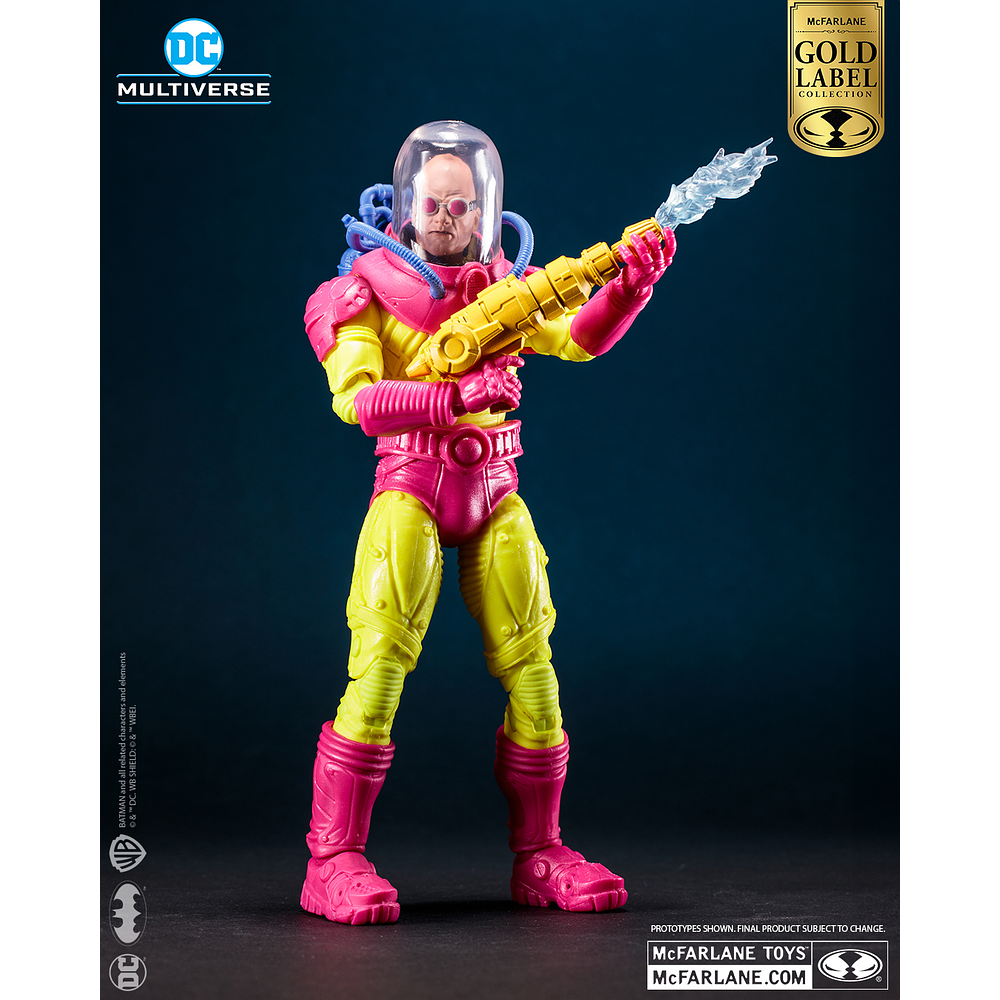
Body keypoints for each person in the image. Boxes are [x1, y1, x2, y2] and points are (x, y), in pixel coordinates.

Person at [301, 121, 674, 924]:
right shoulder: (363, 291)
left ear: (485, 210)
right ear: (407, 205)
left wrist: (628, 290)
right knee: (381, 666)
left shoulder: (509, 287)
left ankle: (542, 852)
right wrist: (450, 396)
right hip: (409, 486)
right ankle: (331, 860)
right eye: (433, 204)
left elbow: (577, 340)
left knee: (534, 668)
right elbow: (355, 400)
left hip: (495, 487)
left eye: (461, 206)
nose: (446, 218)